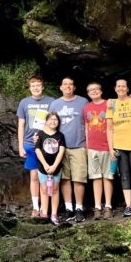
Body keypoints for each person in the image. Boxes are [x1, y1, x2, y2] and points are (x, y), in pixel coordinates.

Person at [48, 78, 89, 223]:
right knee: (64, 178)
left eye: (70, 84)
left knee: (79, 178)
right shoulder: (55, 104)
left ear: (74, 87)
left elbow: (88, 123)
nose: (68, 86)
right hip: (60, 147)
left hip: (79, 145)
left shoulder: (83, 101)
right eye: (65, 84)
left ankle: (79, 208)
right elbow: (49, 124)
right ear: (60, 87)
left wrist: (88, 143)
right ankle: (68, 208)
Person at [106, 79, 131, 217]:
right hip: (119, 144)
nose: (121, 88)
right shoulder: (112, 104)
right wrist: (111, 148)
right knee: (124, 176)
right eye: (119, 86)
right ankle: (128, 206)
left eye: (123, 86)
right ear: (115, 88)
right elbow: (109, 129)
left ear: (128, 88)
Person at [17, 75, 55, 217]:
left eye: (38, 85)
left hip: (47, 143)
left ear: (43, 87)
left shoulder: (51, 102)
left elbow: (55, 122)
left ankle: (46, 208)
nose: (36, 88)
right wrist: (20, 145)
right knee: (34, 175)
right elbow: (21, 125)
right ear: (29, 88)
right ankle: (35, 207)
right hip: (29, 143)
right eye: (33, 86)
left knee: (47, 175)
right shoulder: (24, 102)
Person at [82, 81, 113, 219]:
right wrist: (87, 146)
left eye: (96, 89)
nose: (94, 91)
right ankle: (97, 206)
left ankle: (108, 206)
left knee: (108, 176)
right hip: (92, 147)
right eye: (91, 90)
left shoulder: (108, 104)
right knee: (96, 177)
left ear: (101, 91)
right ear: (88, 94)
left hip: (107, 146)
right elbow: (86, 127)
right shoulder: (86, 107)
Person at [34, 112, 66, 225]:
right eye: (51, 119)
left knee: (55, 190)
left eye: (55, 120)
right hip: (43, 167)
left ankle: (54, 214)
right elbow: (37, 149)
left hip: (56, 167)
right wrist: (45, 165)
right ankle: (44, 214)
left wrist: (54, 166)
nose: (53, 122)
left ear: (58, 122)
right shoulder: (40, 134)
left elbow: (61, 151)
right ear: (46, 121)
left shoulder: (60, 136)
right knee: (43, 190)